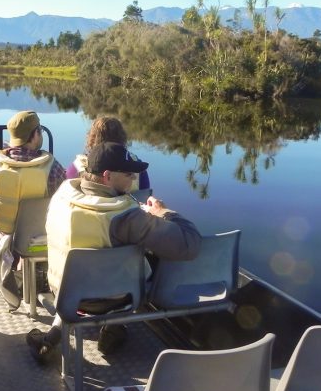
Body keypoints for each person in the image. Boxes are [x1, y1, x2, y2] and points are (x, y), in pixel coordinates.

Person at [26, 142, 202, 363]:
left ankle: (53, 336)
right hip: (111, 299)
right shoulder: (125, 217)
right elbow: (190, 244)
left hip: (64, 292)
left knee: (92, 264)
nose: (133, 180)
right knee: (154, 259)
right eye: (129, 174)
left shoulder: (62, 195)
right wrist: (163, 212)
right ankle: (114, 326)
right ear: (108, 176)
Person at [0, 110, 66, 308]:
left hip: (7, 239)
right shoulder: (52, 166)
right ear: (35, 134)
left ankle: (14, 278)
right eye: (40, 131)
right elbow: (64, 204)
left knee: (5, 233)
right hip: (41, 241)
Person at [65, 116, 150, 190]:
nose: (133, 176)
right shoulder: (138, 166)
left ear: (91, 139)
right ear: (122, 138)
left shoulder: (75, 168)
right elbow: (146, 195)